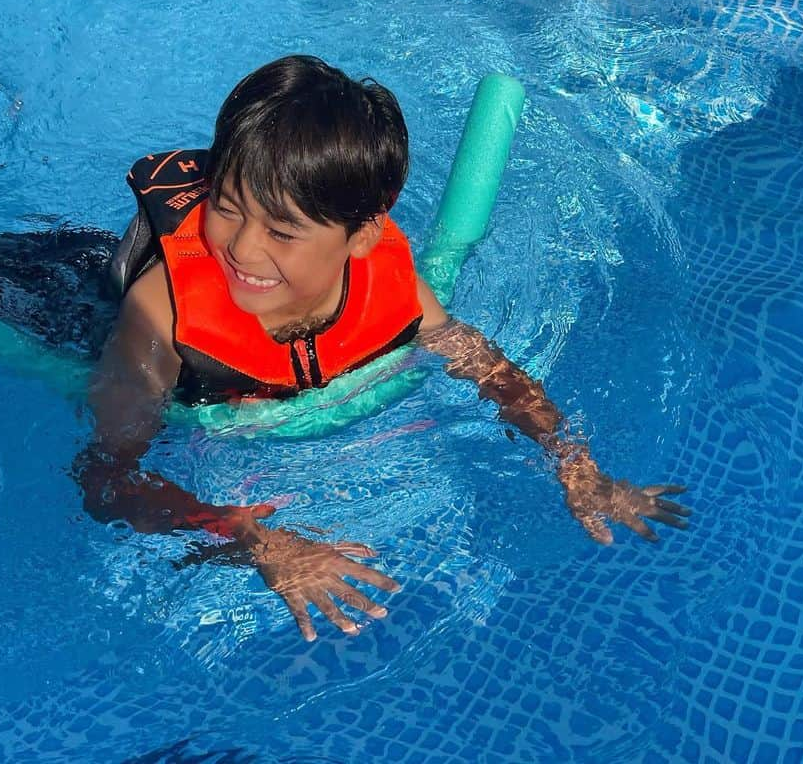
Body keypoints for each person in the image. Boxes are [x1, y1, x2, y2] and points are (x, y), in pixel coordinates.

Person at [75, 55, 689, 642]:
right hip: (62, 309)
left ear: (362, 234)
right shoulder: (161, 314)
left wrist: (572, 461)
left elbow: (488, 369)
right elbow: (106, 479)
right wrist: (255, 539)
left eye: (283, 231)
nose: (241, 248)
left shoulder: (394, 288)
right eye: (227, 209)